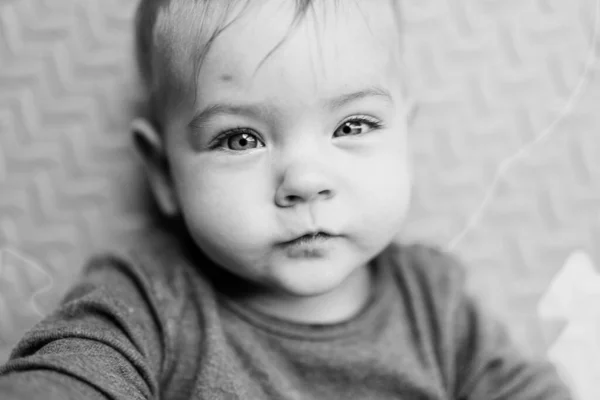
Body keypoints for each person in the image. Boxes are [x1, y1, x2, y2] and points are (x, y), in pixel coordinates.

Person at [0, 0, 574, 398]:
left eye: (352, 126)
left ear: (406, 136)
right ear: (164, 174)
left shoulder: (437, 304)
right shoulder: (145, 305)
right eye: (239, 139)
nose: (305, 180)